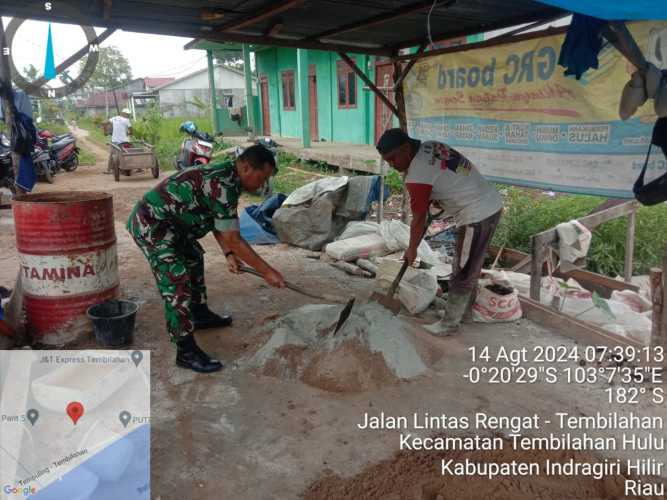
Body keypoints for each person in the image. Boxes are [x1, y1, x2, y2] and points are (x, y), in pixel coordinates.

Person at [127, 145, 286, 373]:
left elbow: (217, 220)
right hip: (152, 226)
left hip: (174, 227)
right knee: (176, 282)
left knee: (194, 256)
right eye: (262, 178)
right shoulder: (223, 183)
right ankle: (185, 351)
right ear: (246, 167)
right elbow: (234, 237)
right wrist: (267, 271)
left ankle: (199, 313)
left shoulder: (229, 178)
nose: (262, 184)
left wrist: (228, 254)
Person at [376, 128, 502, 335]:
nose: (392, 165)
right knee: (470, 265)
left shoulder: (417, 174)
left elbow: (418, 218)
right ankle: (463, 313)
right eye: (387, 161)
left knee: (462, 269)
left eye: (393, 158)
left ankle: (449, 324)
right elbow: (446, 178)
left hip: (478, 214)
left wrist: (412, 249)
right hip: (487, 203)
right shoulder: (430, 146)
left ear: (406, 148)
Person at [106, 108, 132, 174]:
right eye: (127, 114)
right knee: (127, 154)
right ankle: (128, 167)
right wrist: (129, 133)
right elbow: (131, 130)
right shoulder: (127, 120)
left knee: (113, 154)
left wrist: (104, 130)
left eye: (128, 114)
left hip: (114, 141)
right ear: (123, 113)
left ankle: (109, 169)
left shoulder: (114, 118)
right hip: (124, 141)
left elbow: (105, 122)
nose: (128, 115)